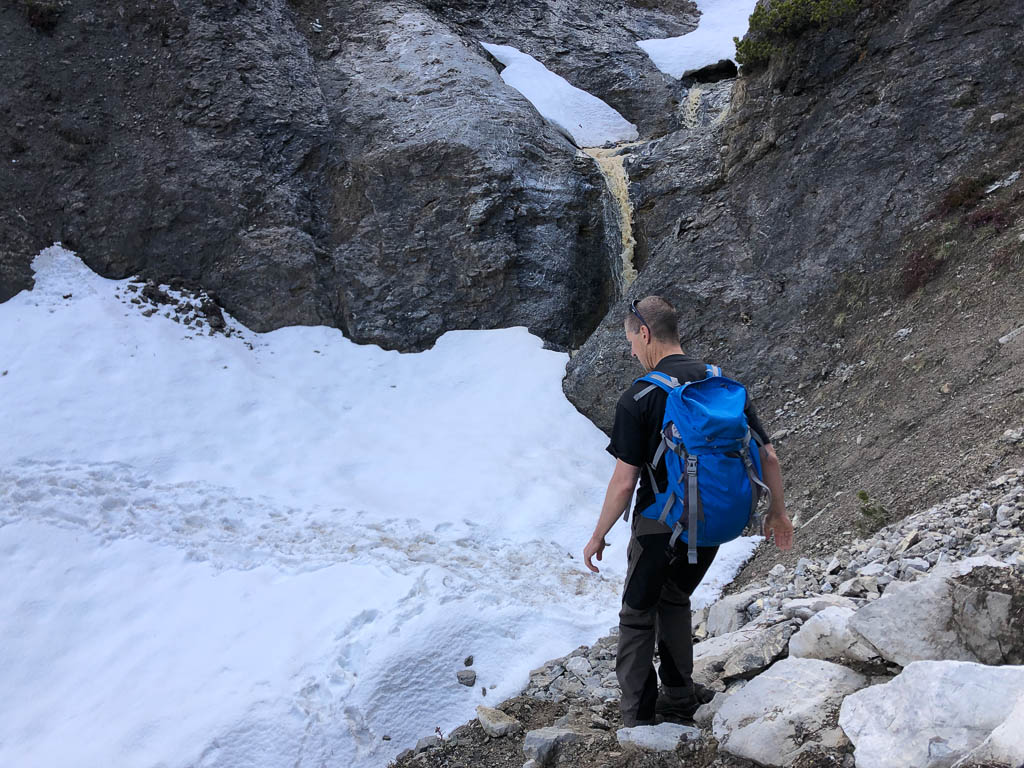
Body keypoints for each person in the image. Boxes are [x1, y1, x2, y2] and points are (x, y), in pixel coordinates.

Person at [583, 295, 793, 728]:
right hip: (712, 520)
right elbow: (768, 456)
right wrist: (778, 512)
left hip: (660, 524)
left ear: (645, 334)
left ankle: (637, 719)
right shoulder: (722, 385)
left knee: (637, 613)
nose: (632, 352)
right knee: (676, 597)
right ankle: (679, 696)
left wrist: (598, 534)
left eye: (631, 341)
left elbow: (624, 482)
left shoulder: (640, 396)